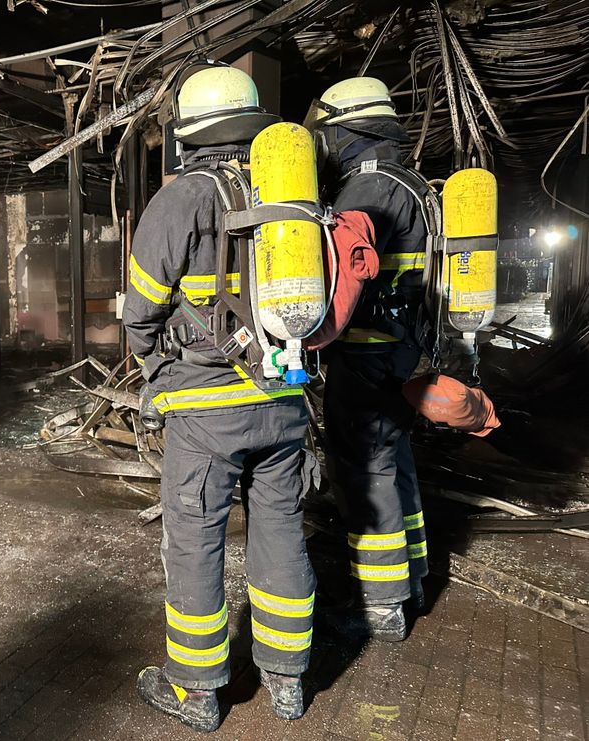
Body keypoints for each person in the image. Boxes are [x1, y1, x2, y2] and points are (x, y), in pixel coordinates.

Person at [123, 63, 317, 730]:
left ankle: (198, 691)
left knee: (196, 542)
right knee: (281, 530)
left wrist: (157, 371)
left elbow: (141, 308)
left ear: (187, 135)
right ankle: (288, 681)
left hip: (208, 412)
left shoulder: (183, 198)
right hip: (286, 398)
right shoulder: (290, 195)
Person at [304, 77, 430, 641]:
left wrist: (303, 336)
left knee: (365, 471)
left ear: (344, 133)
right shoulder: (417, 184)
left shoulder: (367, 193)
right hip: (406, 357)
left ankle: (380, 606)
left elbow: (341, 291)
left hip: (366, 359)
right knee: (397, 464)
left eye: (325, 135)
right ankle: (414, 578)